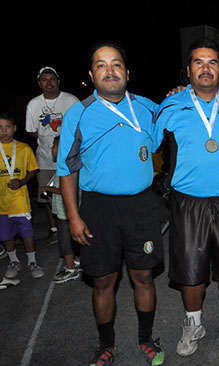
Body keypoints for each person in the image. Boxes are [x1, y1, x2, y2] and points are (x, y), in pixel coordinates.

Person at [57, 41, 164, 366]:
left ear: (127, 72)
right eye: (101, 65)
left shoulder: (148, 108)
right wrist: (74, 217)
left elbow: (170, 133)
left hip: (141, 206)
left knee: (143, 276)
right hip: (98, 208)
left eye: (116, 64)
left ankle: (146, 339)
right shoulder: (78, 114)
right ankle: (106, 345)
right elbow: (67, 170)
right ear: (91, 75)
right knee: (103, 280)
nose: (110, 71)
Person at [154, 39, 219, 357]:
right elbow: (149, 146)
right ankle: (192, 323)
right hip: (187, 201)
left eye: (212, 62)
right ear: (188, 70)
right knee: (190, 269)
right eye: (199, 62)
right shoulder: (170, 106)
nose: (205, 67)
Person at [26, 67, 79, 244]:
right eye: (44, 80)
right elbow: (32, 131)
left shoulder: (71, 100)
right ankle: (54, 228)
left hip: (71, 159)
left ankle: (77, 221)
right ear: (39, 83)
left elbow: (82, 125)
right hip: (46, 159)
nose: (49, 83)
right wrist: (49, 136)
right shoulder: (33, 104)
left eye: (52, 79)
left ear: (58, 81)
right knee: (48, 196)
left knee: (76, 191)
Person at [0, 112, 44, 280]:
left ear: (14, 129)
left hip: (20, 201)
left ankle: (32, 261)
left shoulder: (23, 148)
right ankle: (13, 261)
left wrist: (22, 181)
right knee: (5, 235)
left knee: (27, 232)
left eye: (8, 127)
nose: (4, 131)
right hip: (2, 203)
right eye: (0, 127)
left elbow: (33, 169)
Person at [40, 136, 81, 283]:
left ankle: (70, 269)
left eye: (54, 146)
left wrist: (47, 188)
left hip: (66, 212)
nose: (51, 149)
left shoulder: (66, 167)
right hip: (65, 210)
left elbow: (66, 190)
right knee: (75, 239)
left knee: (65, 241)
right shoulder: (67, 165)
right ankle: (78, 262)